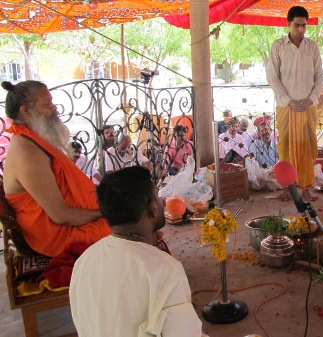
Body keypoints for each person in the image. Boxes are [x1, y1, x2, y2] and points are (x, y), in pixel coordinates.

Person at [70, 167, 207, 337]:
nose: (161, 202)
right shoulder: (163, 269)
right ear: (152, 208)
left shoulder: (85, 260)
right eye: (157, 196)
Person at [1, 80, 110, 257]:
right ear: (26, 111)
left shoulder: (35, 139)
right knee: (128, 229)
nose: (55, 108)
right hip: (58, 236)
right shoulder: (27, 152)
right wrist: (103, 212)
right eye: (47, 104)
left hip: (70, 224)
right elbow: (61, 215)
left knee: (132, 216)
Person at [267, 5, 323, 201]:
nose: (301, 30)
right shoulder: (278, 46)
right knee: (286, 147)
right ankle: (287, 189)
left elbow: (319, 78)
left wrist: (311, 99)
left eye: (304, 26)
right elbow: (273, 78)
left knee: (308, 147)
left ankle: (307, 188)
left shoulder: (312, 47)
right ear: (288, 24)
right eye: (297, 25)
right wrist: (288, 101)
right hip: (286, 107)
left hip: (308, 107)